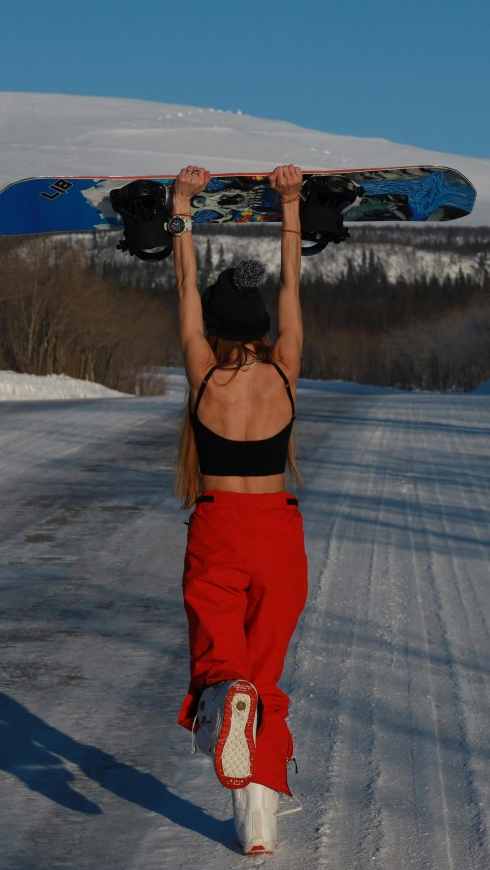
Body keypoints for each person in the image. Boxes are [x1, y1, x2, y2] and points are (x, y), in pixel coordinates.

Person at [168, 163, 307, 857]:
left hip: (219, 525)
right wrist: (290, 207)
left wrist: (181, 209)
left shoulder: (202, 373)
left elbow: (186, 285)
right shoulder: (285, 368)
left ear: (217, 328)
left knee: (222, 667)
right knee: (266, 674)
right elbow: (292, 287)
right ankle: (259, 822)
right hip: (279, 534)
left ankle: (227, 702)